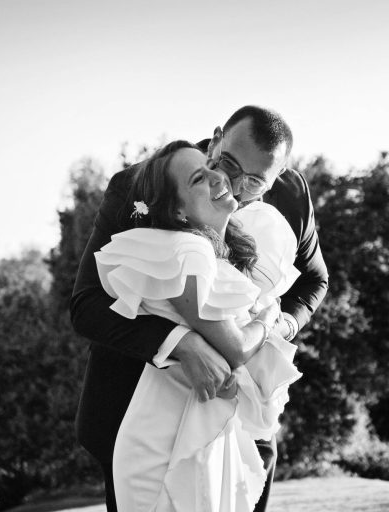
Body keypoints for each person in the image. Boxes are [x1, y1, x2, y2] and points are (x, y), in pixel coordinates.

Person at [70, 106, 328, 511]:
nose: (234, 186)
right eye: (228, 164)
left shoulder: (292, 195)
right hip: (139, 419)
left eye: (255, 181)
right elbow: (87, 304)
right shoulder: (143, 184)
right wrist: (181, 343)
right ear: (218, 136)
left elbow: (315, 281)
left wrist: (279, 325)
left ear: (277, 176)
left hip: (242, 424)